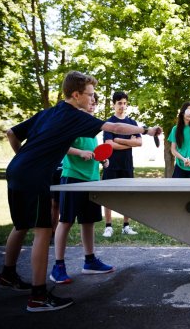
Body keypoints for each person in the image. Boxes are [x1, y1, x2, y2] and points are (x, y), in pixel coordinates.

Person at [0, 71, 161, 312]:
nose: (93, 99)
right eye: (90, 95)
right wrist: (146, 130)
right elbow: (114, 126)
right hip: (34, 176)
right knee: (42, 231)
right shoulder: (75, 116)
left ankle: (6, 275)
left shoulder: (49, 112)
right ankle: (38, 297)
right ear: (76, 95)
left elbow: (12, 133)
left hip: (16, 171)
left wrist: (23, 158)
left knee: (20, 225)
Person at [50, 93, 114, 284]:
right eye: (91, 100)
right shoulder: (71, 122)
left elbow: (93, 152)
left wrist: (102, 159)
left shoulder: (92, 125)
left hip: (91, 179)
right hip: (73, 178)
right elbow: (61, 146)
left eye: (95, 102)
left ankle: (90, 261)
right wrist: (80, 152)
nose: (93, 104)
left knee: (88, 222)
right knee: (66, 221)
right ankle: (58, 266)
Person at [101, 91, 141, 237]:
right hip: (111, 164)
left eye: (125, 103)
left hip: (127, 164)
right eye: (119, 103)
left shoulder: (132, 123)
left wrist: (120, 140)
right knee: (108, 195)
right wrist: (130, 143)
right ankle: (108, 226)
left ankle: (126, 225)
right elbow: (109, 144)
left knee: (127, 195)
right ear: (114, 105)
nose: (122, 106)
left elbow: (140, 142)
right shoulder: (109, 123)